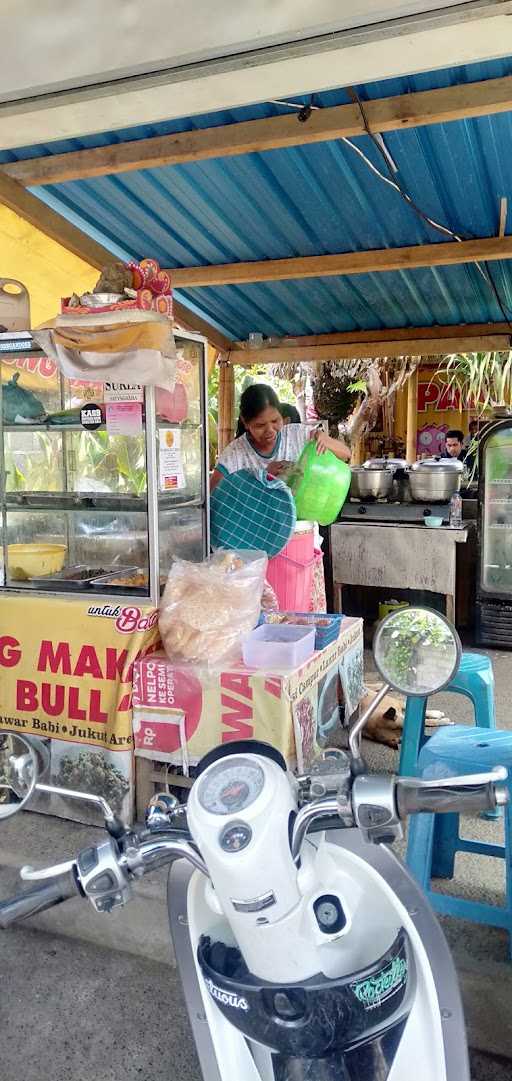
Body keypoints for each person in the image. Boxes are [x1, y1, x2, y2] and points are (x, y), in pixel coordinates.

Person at [211, 384, 350, 490]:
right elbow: (214, 493)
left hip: (302, 523)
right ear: (246, 422)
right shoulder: (235, 454)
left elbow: (346, 454)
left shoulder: (299, 435)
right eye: (260, 425)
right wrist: (261, 477)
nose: (270, 430)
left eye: (275, 421)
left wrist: (326, 439)